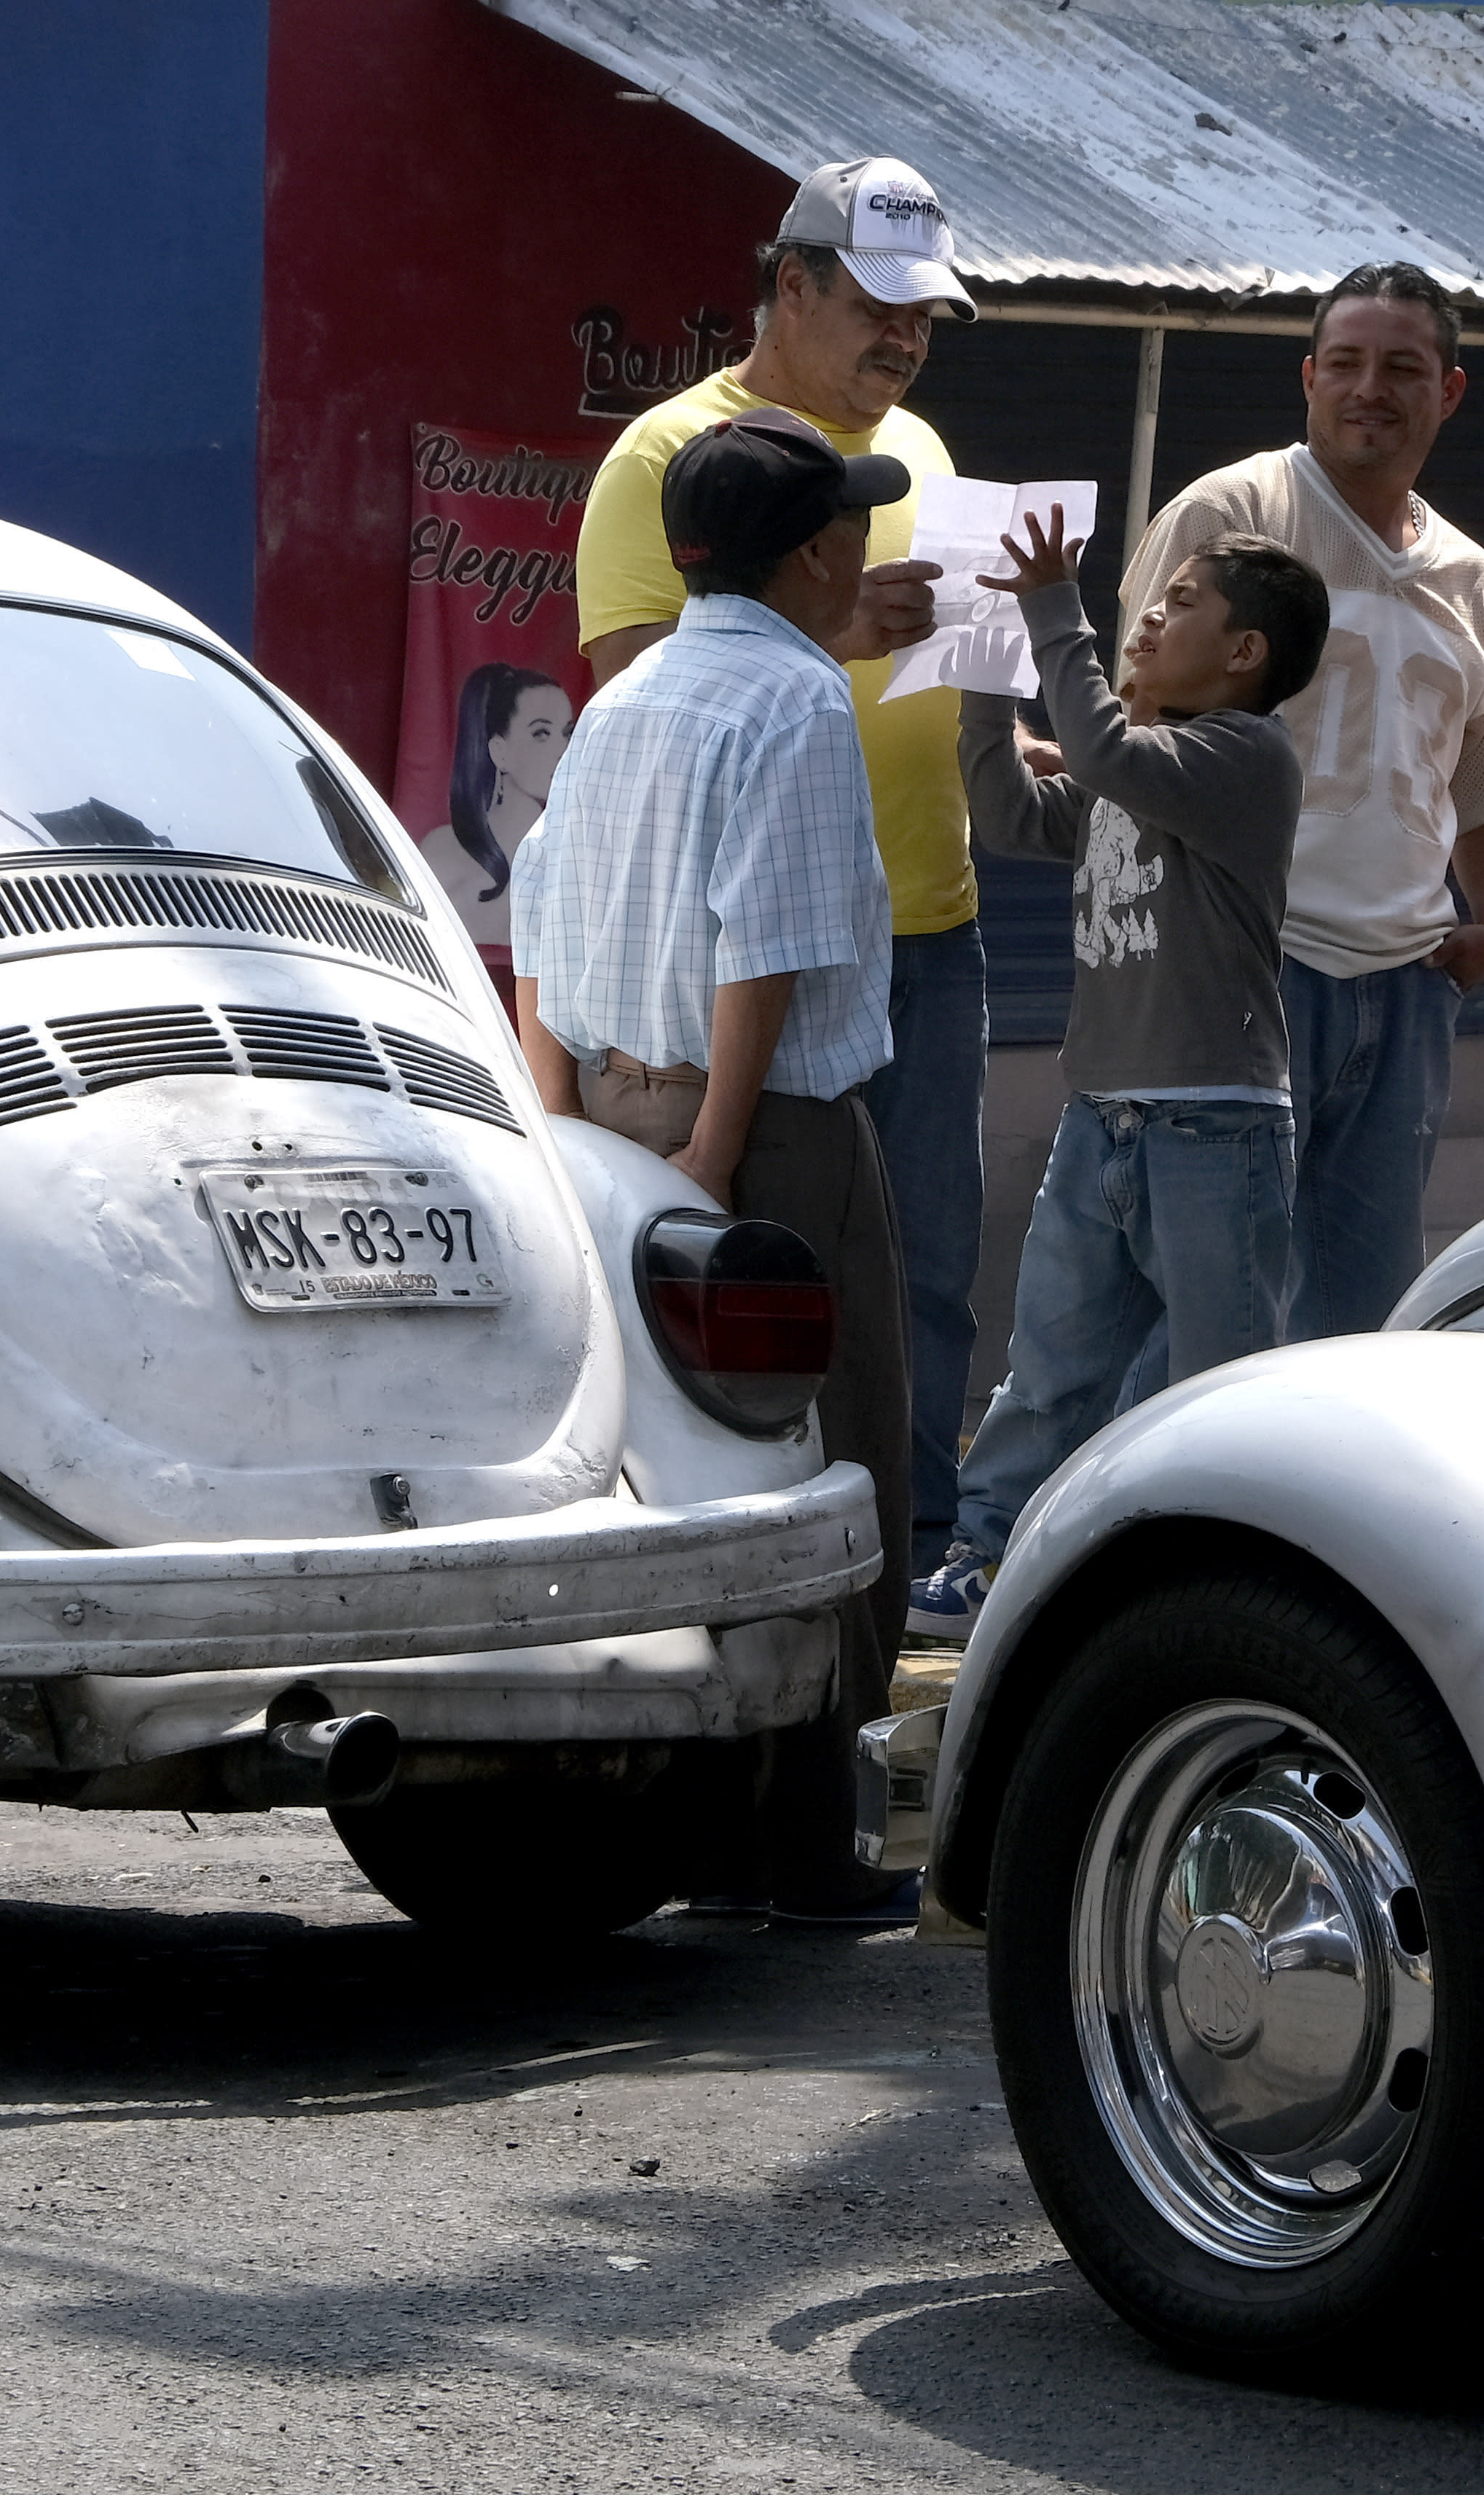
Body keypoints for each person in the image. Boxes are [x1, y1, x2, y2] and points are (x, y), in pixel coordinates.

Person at [509, 411, 917, 1919]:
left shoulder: (625, 696)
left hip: (609, 1116)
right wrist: (718, 1153)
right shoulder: (799, 697)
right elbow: (770, 949)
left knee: (672, 1480)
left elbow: (537, 931)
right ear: (819, 554)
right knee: (836, 1462)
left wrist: (571, 1123)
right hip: (762, 1134)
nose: (861, 553)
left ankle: (696, 1838)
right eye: (853, 528)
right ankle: (807, 1848)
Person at [574, 156, 986, 1571]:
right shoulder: (670, 457)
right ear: (792, 283)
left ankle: (914, 1542)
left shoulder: (917, 452)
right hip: (754, 988)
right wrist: (835, 640)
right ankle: (796, 1568)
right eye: (880, 305)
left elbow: (950, 667)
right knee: (775, 1284)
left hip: (929, 924)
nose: (907, 339)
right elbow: (644, 698)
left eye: (928, 317)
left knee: (921, 1268)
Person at [906, 507, 1322, 1644]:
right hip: (1103, 1123)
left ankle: (1230, 1576)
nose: (1147, 620)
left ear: (1246, 656)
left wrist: (1051, 610)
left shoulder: (1241, 757)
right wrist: (989, 675)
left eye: (1181, 605)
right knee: (1051, 1367)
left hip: (1215, 1130)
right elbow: (1009, 810)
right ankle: (984, 1559)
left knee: (1219, 1380)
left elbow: (1097, 752)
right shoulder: (1137, 766)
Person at [1118, 259, 1484, 1339]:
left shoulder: (1472, 577)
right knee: (1199, 1308)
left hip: (1405, 988)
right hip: (1247, 973)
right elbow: (1139, 711)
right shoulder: (1237, 510)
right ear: (1307, 378)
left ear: (1449, 392)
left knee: (1363, 1315)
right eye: (1344, 364)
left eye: (1403, 368)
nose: (1370, 390)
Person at [412, 661, 570, 952]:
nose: (562, 751)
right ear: (499, 750)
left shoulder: (576, 848)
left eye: (568, 733)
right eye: (541, 734)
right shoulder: (442, 849)